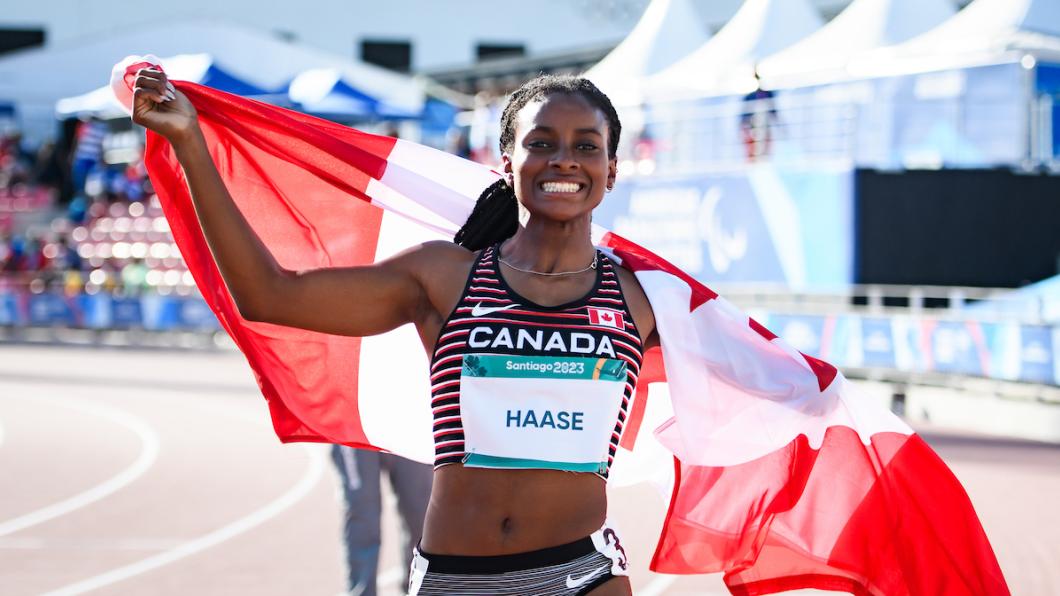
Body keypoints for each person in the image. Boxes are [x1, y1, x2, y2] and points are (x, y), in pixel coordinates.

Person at [132, 68, 657, 595]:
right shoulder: (444, 277)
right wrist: (189, 143)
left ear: (611, 170)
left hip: (583, 575)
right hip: (458, 579)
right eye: (540, 142)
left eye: (586, 146)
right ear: (506, 163)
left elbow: (739, 371)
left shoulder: (644, 299)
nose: (564, 158)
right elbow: (269, 295)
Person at [331, 446, 432, 596]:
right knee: (362, 515)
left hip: (407, 429)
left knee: (421, 516)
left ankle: (416, 588)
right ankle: (361, 592)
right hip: (355, 430)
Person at [739, 67, 778, 162]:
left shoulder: (768, 94)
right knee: (754, 149)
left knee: (765, 147)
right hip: (753, 127)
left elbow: (774, 111)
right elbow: (744, 117)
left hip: (764, 126)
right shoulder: (749, 96)